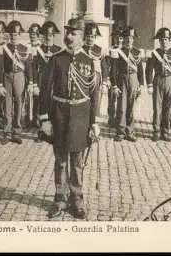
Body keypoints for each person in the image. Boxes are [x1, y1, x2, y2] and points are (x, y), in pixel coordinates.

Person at [38, 17, 100, 220]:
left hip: (80, 117)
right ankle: (59, 199)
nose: (69, 36)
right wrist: (45, 118)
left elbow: (94, 95)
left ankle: (77, 199)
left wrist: (94, 123)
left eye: (73, 33)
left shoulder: (89, 61)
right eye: (68, 33)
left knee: (77, 161)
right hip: (59, 115)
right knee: (61, 160)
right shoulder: (57, 59)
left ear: (82, 37)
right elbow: (45, 90)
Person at [0, 20, 33, 145]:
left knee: (19, 104)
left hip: (20, 77)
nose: (14, 36)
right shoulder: (4, 48)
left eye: (16, 34)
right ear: (9, 35)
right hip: (7, 76)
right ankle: (6, 132)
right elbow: (0, 67)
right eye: (12, 34)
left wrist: (31, 82)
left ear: (20, 34)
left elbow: (28, 67)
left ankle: (16, 132)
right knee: (7, 106)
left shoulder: (24, 48)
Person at [146, 27, 171, 142]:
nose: (164, 41)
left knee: (168, 107)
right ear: (159, 40)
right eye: (161, 39)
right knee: (157, 108)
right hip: (158, 80)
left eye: (166, 39)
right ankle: (156, 131)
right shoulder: (154, 53)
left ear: (169, 40)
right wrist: (150, 84)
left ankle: (165, 131)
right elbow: (149, 69)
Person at [110, 26, 144, 142]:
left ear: (133, 39)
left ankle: (130, 131)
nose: (129, 40)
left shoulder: (137, 52)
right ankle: (120, 131)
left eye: (131, 37)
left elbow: (140, 70)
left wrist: (141, 85)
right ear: (123, 39)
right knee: (121, 107)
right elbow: (113, 69)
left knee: (131, 107)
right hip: (122, 80)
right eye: (127, 37)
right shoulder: (118, 52)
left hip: (134, 80)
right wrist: (114, 85)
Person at [82, 22, 111, 117]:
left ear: (95, 37)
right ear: (85, 37)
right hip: (82, 79)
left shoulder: (100, 50)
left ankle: (93, 121)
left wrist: (104, 83)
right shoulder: (80, 49)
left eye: (92, 36)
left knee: (95, 100)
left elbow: (104, 68)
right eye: (88, 36)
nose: (90, 39)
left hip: (96, 79)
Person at [26, 23, 42, 128]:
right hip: (27, 75)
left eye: (35, 34)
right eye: (31, 34)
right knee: (28, 98)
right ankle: (28, 118)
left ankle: (36, 118)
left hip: (39, 75)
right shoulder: (26, 46)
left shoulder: (41, 47)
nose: (33, 36)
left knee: (37, 97)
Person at [108, 29, 124, 128]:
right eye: (116, 38)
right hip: (112, 77)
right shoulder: (109, 50)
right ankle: (111, 119)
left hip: (122, 78)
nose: (118, 40)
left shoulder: (124, 51)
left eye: (120, 38)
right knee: (111, 100)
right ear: (113, 39)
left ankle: (120, 119)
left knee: (122, 101)